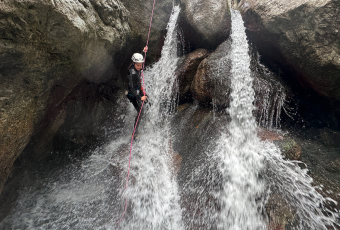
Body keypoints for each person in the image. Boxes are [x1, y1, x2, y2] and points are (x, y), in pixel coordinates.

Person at [126, 46, 148, 136]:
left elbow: (138, 59)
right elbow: (131, 90)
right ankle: (134, 132)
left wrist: (143, 52)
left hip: (138, 88)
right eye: (138, 65)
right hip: (131, 93)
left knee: (148, 100)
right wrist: (140, 97)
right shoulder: (132, 74)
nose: (140, 67)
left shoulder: (135, 64)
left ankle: (148, 119)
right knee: (140, 111)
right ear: (134, 64)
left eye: (141, 65)